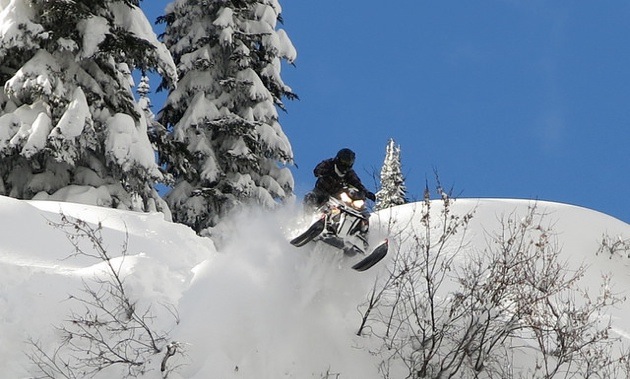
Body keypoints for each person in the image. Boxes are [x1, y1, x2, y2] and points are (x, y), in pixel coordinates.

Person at [304, 148, 376, 209]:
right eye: (344, 161)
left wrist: (366, 193)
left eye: (348, 162)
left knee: (352, 204)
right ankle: (307, 219)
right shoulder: (329, 163)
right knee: (310, 197)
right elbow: (317, 171)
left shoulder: (349, 173)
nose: (345, 164)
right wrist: (327, 172)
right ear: (338, 159)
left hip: (336, 196)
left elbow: (357, 183)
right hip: (321, 192)